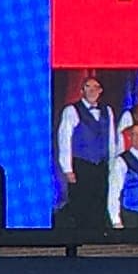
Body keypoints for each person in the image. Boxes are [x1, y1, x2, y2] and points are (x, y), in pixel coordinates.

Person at [56, 76, 116, 229]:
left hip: (101, 165)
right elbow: (64, 139)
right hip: (81, 164)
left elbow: (111, 139)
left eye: (95, 87)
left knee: (99, 201)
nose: (92, 90)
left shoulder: (107, 111)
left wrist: (112, 164)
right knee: (81, 203)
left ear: (100, 91)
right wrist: (67, 169)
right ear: (82, 90)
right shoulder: (71, 110)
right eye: (88, 87)